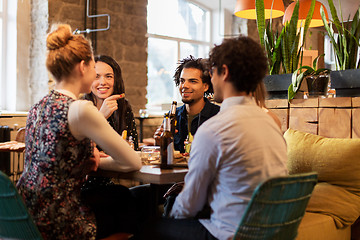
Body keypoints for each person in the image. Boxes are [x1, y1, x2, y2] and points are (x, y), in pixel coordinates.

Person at [138, 36, 288, 240]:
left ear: (223, 72)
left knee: (148, 227)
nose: (211, 78)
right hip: (269, 231)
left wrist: (171, 218)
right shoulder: (269, 123)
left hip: (229, 234)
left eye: (212, 72)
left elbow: (189, 205)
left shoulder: (214, 129)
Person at [16, 24, 142, 240]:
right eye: (94, 68)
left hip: (26, 213)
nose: (97, 76)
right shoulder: (81, 109)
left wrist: (84, 159)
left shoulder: (38, 106)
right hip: (61, 221)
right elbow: (134, 162)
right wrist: (95, 161)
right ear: (83, 67)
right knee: (135, 207)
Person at [154, 56, 220, 153]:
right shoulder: (172, 115)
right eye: (182, 81)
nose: (184, 86)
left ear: (205, 86)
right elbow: (167, 154)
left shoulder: (218, 115)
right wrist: (159, 142)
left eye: (192, 81)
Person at [84, 55, 139, 150]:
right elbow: (81, 150)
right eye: (96, 77)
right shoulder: (80, 108)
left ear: (116, 80)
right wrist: (101, 116)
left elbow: (134, 147)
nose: (102, 82)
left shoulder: (124, 107)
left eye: (108, 76)